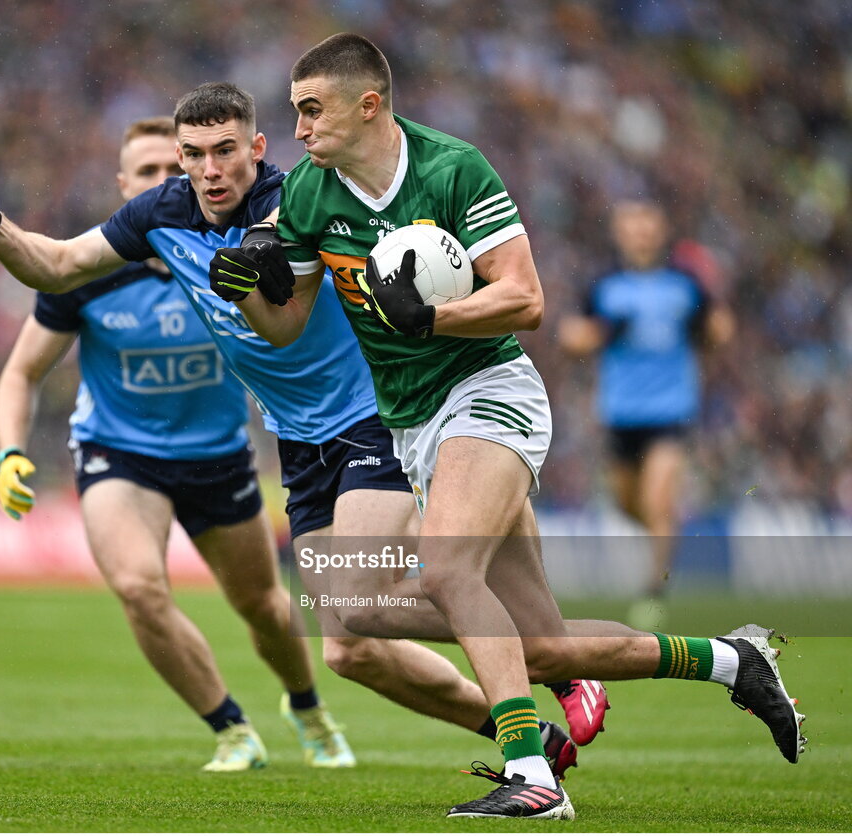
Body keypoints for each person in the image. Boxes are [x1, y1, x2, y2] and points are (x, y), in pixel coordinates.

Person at [210, 34, 805, 819]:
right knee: (522, 641)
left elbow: (525, 299)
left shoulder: (453, 169)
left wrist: (434, 317)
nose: (299, 130)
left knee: (448, 571)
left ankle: (534, 775)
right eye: (296, 112)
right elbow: (286, 323)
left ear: (369, 105)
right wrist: (244, 293)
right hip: (414, 427)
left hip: (491, 391)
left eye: (311, 110)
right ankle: (731, 659)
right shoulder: (316, 194)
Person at [0, 84, 595, 783]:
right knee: (350, 648)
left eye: (224, 151)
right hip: (296, 441)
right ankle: (524, 720)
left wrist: (263, 254)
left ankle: (547, 663)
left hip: (371, 416)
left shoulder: (299, 198)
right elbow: (59, 266)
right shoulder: (156, 219)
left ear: (256, 149)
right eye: (193, 156)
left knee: (383, 591)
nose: (208, 169)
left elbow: (297, 237)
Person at [0, 116, 354, 772]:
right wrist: (10, 450)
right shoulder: (97, 273)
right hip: (118, 454)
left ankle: (307, 708)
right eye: (152, 173)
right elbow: (21, 371)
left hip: (217, 454)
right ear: (127, 187)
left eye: (175, 168)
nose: (173, 180)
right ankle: (230, 728)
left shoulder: (237, 245)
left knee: (264, 606)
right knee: (138, 586)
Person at [559, 199, 735, 630]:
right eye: (632, 225)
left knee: (657, 500)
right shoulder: (604, 284)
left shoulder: (685, 283)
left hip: (671, 412)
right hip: (620, 414)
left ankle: (652, 594)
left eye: (647, 224)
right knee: (628, 505)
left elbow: (720, 328)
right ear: (619, 232)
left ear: (662, 230)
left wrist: (708, 327)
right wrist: (603, 332)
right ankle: (667, 529)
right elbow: (570, 335)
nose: (640, 233)